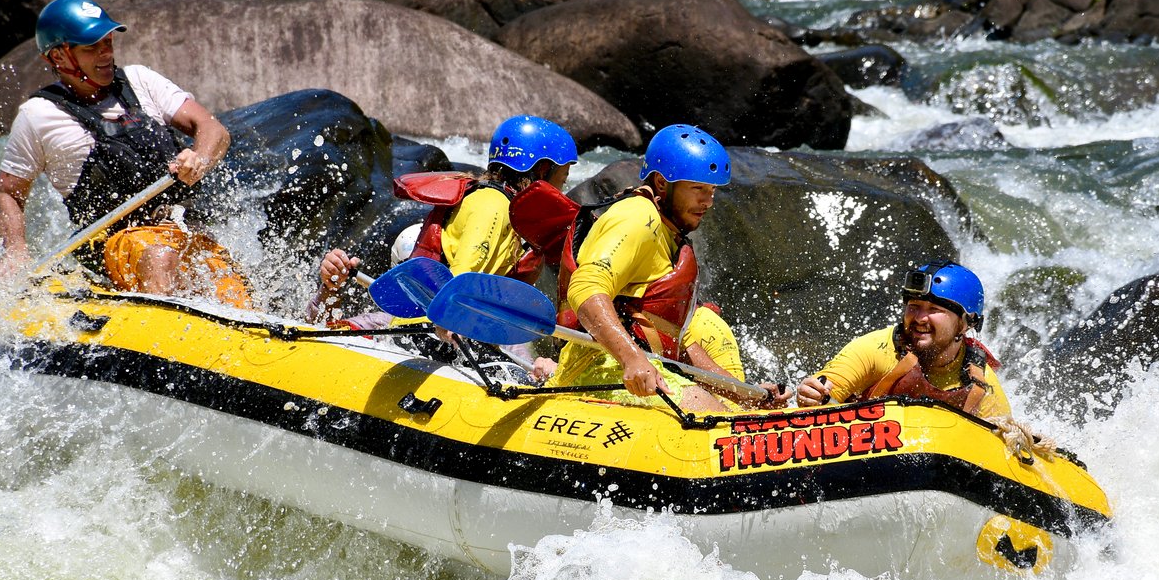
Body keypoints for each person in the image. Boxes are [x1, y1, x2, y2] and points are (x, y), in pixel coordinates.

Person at [0, 0, 250, 307]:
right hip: (114, 244)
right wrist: (15, 250)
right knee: (158, 256)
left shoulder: (141, 80)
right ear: (58, 56)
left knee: (236, 296)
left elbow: (213, 130)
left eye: (108, 42)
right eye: (91, 47)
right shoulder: (38, 116)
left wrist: (200, 158)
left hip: (179, 232)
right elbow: (9, 193)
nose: (105, 54)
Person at [544, 123, 786, 411]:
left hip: (644, 364)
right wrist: (633, 359)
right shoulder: (635, 218)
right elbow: (585, 289)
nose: (707, 201)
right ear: (661, 183)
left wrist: (747, 395)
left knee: (727, 406)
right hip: (597, 367)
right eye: (697, 189)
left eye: (711, 191)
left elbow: (675, 347)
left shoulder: (667, 229)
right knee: (702, 408)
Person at [308, 114, 578, 320]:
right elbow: (461, 281)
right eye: (562, 180)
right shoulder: (494, 206)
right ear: (542, 171)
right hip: (434, 331)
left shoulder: (502, 208)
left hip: (449, 329)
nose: (562, 190)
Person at [795, 261, 1011, 418]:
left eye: (934, 309)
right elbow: (823, 392)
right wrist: (811, 395)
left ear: (965, 323)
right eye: (913, 306)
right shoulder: (875, 349)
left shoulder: (979, 381)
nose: (919, 318)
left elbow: (1003, 440)